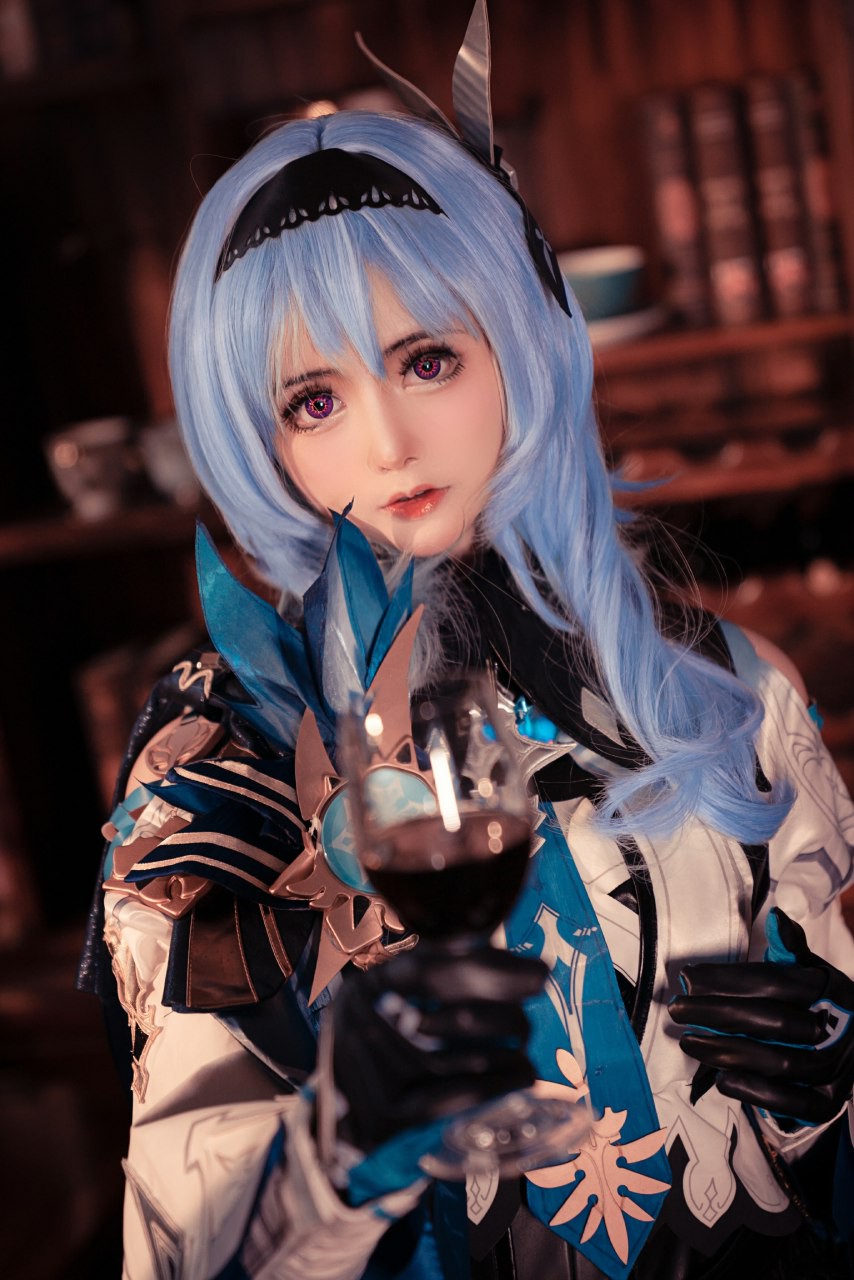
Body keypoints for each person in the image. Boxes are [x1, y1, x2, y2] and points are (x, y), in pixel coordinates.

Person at [79, 6, 854, 1278]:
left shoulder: (725, 689)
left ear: (518, 336)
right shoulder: (226, 761)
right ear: (253, 435)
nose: (387, 443)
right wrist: (340, 1145)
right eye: (314, 399)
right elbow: (184, 1242)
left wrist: (828, 1095)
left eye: (426, 358)